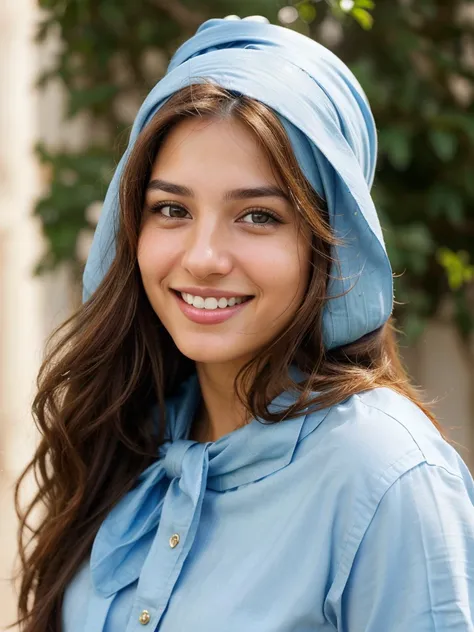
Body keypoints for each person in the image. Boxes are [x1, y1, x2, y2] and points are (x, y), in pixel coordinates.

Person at [14, 16, 474, 632]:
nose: (203, 257)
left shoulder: (387, 476)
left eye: (257, 216)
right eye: (171, 209)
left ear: (328, 242)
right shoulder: (129, 433)